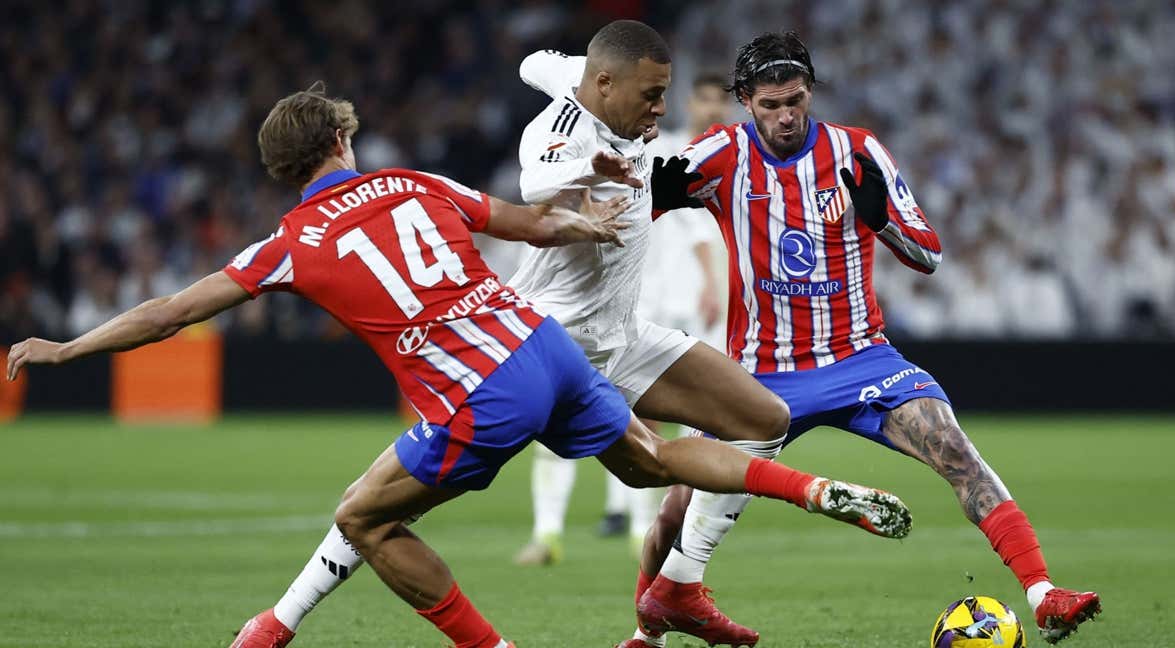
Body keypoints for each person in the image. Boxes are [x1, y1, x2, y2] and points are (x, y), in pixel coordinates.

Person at [6, 81, 912, 648]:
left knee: (363, 519)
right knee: (651, 458)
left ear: (290, 170)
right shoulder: (413, 182)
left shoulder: (287, 243)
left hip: (477, 395)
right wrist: (584, 223)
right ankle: (813, 490)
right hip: (543, 344)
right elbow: (528, 220)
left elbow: (172, 313)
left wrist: (70, 345)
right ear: (341, 145)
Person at [596, 31, 1101, 647]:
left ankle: (1044, 595)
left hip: (862, 359)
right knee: (674, 512)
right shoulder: (718, 154)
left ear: (810, 93)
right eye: (771, 105)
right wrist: (644, 195)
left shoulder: (857, 152)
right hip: (759, 370)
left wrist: (881, 218)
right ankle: (648, 636)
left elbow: (930, 253)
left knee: (954, 450)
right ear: (745, 101)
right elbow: (624, 216)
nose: (786, 117)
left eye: (796, 101)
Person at [514, 70, 733, 564]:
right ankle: (554, 530)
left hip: (678, 305)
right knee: (578, 413)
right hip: (623, 300)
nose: (712, 109)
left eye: (721, 101)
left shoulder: (722, 156)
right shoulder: (660, 145)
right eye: (703, 97)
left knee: (662, 421)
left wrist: (716, 285)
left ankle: (647, 528)